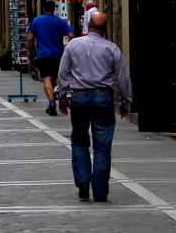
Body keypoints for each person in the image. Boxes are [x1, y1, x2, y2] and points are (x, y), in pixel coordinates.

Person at [56, 12, 132, 202]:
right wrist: (125, 101)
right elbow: (123, 78)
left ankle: (83, 182)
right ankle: (100, 192)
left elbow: (63, 73)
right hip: (103, 97)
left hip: (79, 97)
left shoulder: (73, 45)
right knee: (102, 147)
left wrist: (62, 97)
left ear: (87, 25)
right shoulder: (112, 48)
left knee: (79, 141)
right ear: (105, 28)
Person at [27, 0, 74, 115]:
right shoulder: (60, 22)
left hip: (43, 55)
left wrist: (30, 52)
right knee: (57, 79)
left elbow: (30, 38)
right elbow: (71, 35)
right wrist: (71, 49)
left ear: (44, 8)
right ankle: (58, 100)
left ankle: (52, 102)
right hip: (58, 56)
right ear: (54, 9)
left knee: (47, 79)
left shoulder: (36, 21)